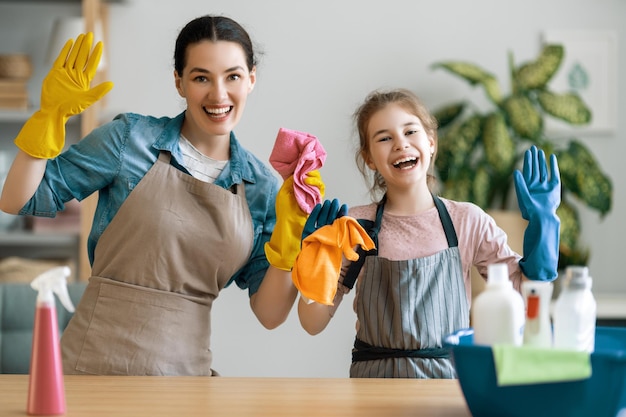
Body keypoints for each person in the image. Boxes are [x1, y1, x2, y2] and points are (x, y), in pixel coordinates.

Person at [0, 15, 321, 376]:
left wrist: (293, 231)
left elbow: (270, 313)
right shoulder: (129, 139)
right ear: (179, 82)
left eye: (232, 76)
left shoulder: (261, 187)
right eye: (201, 77)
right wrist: (48, 116)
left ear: (251, 80)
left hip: (185, 380)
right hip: (87, 370)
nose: (218, 94)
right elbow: (17, 201)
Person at [296, 88, 560, 378]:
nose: (400, 144)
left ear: (431, 143)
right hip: (372, 390)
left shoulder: (467, 221)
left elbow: (526, 295)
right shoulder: (354, 226)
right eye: (384, 138)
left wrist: (544, 225)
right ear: (369, 158)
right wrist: (314, 260)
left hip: (448, 386)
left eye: (410, 132)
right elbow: (313, 323)